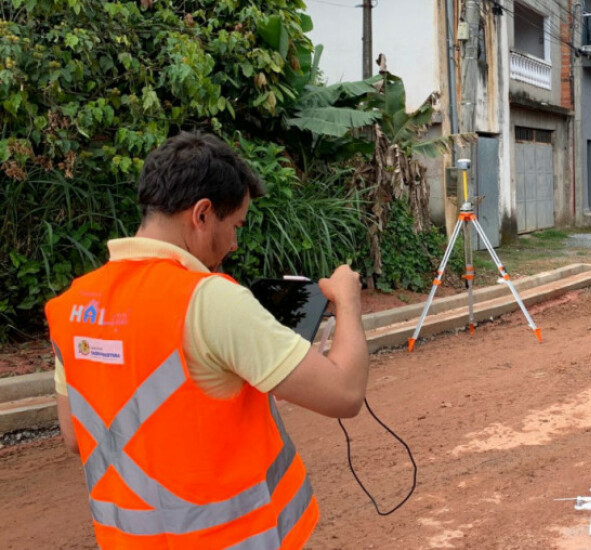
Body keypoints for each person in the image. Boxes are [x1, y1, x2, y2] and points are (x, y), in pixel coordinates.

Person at [44, 132, 371, 549]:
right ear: (202, 214)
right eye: (235, 226)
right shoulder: (209, 300)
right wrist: (347, 300)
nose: (234, 244)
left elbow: (77, 437)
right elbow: (344, 393)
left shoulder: (70, 306)